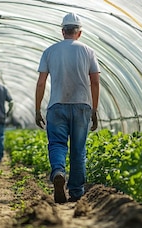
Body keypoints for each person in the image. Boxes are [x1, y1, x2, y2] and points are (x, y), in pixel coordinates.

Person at [35, 12, 99, 203]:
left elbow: (40, 83)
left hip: (57, 105)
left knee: (57, 144)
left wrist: (37, 109)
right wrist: (94, 110)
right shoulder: (88, 51)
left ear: (63, 31)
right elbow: (95, 82)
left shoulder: (50, 51)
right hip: (82, 106)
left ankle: (58, 172)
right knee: (78, 150)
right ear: (79, 33)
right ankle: (76, 192)